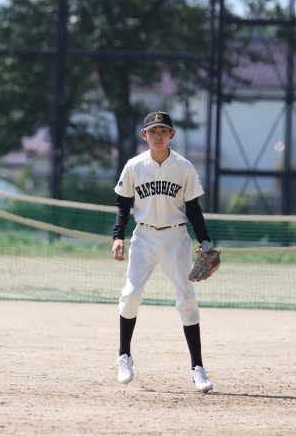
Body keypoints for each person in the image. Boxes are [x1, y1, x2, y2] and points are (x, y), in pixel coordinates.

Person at [111, 110, 215, 393]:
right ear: (144, 135)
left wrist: (205, 241)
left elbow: (193, 209)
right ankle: (124, 356)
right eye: (153, 131)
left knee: (187, 299)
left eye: (163, 131)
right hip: (143, 237)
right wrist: (118, 236)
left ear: (172, 135)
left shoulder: (184, 167)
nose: (158, 136)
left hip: (176, 239)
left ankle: (197, 368)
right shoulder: (134, 166)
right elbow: (123, 205)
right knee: (131, 294)